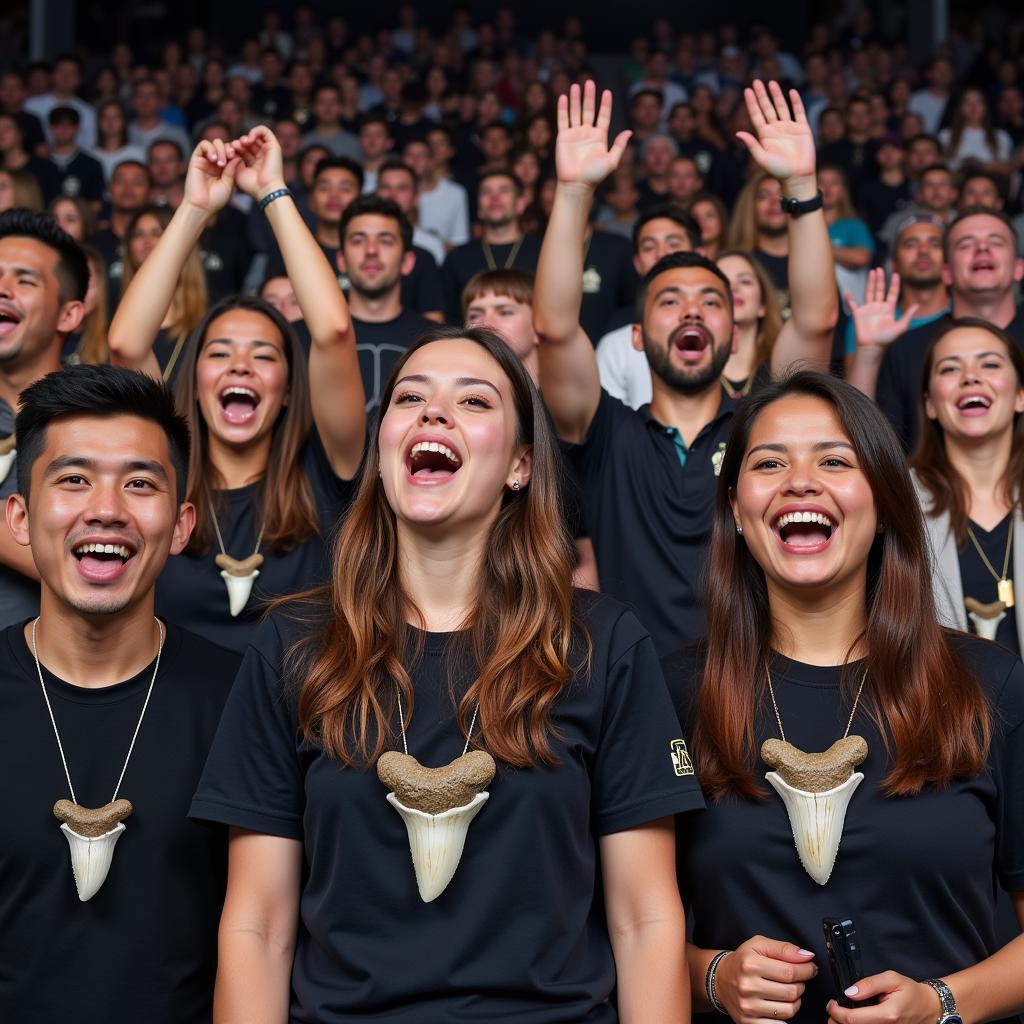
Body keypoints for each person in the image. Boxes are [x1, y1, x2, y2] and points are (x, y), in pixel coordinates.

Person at [190, 322, 701, 1022]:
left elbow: (645, 921)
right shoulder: (293, 642)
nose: (433, 413)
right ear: (382, 448)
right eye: (410, 398)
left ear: (521, 466)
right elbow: (258, 927)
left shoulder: (602, 642)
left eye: (474, 401)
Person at [663, 369, 1024, 1024]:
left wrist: (940, 1004)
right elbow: (620, 922)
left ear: (884, 503)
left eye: (834, 460)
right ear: (737, 512)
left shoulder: (987, 684)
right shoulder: (672, 691)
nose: (800, 481)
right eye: (769, 463)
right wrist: (712, 975)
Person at [534, 79, 837, 655]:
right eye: (670, 301)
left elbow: (817, 322)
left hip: (746, 693)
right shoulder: (605, 432)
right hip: (630, 699)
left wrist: (799, 186)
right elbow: (552, 326)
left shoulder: (762, 429)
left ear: (734, 327)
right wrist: (572, 191)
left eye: (711, 301)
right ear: (638, 335)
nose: (692, 309)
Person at [0, 364, 239, 1022]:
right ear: (19, 515)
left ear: (184, 522)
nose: (106, 509)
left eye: (140, 483)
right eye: (73, 479)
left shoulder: (245, 701)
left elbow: (268, 934)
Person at [108, 127, 365, 652]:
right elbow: (126, 344)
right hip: (176, 725)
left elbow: (334, 331)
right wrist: (194, 208)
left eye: (264, 355)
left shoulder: (327, 469)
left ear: (291, 389)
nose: (240, 367)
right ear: (195, 380)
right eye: (220, 353)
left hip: (297, 729)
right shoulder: (168, 468)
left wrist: (273, 191)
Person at [911, 318, 1024, 653]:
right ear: (930, 403)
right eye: (949, 369)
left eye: (989, 364)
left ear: (1020, 396)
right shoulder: (898, 499)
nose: (971, 376)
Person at [873, 209, 1024, 449]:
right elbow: (877, 449)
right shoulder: (907, 348)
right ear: (946, 272)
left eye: (996, 242)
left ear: (1019, 268)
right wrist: (868, 351)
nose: (982, 249)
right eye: (966, 244)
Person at [0, 210, 86, 627]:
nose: (2, 290)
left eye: (24, 280)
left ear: (68, 315)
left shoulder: (92, 419)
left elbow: (84, 560)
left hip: (44, 679)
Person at [594, 206, 702, 409]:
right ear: (637, 263)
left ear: (699, 254)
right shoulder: (616, 343)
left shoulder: (719, 331)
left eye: (673, 243)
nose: (661, 254)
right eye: (649, 247)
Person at [338, 194, 436, 412]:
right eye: (358, 240)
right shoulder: (307, 337)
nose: (371, 250)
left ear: (407, 262)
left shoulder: (436, 341)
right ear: (341, 260)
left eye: (385, 241)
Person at [844, 215, 950, 369]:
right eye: (911, 244)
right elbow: (851, 392)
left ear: (949, 263)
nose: (923, 250)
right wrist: (870, 350)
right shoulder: (867, 322)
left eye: (935, 244)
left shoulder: (966, 315)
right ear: (894, 265)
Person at [117, 205, 207, 383]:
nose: (147, 241)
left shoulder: (204, 327)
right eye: (138, 234)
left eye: (157, 233)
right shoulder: (119, 326)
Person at [441, 169, 542, 321]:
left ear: (520, 204)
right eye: (486, 192)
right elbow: (449, 321)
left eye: (504, 190)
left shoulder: (543, 253)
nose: (495, 197)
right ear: (479, 208)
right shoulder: (457, 258)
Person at [819, 164, 874, 306]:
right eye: (821, 182)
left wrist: (816, 249)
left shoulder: (854, 224)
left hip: (850, 304)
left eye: (834, 182)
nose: (827, 188)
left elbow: (862, 257)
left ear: (843, 190)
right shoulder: (802, 225)